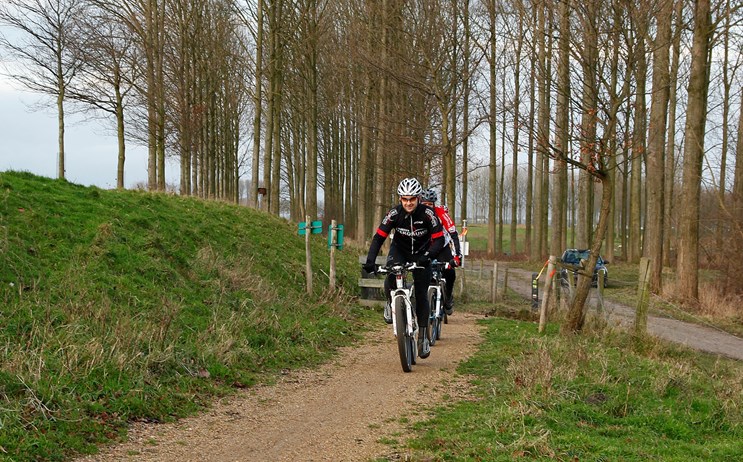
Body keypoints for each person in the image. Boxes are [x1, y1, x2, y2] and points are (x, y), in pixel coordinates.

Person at [362, 178, 444, 359]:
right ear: (400, 199)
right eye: (405, 199)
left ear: (418, 198)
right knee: (390, 277)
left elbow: (439, 239)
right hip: (400, 251)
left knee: (421, 293)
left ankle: (423, 338)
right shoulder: (393, 214)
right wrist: (370, 261)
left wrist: (428, 256)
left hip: (423, 253)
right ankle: (391, 303)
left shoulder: (428, 214)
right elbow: (378, 238)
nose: (408, 203)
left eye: (412, 199)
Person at [420, 187, 462, 315]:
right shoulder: (416, 214)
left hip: (442, 246)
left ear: (434, 205)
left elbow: (453, 234)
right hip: (425, 247)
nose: (427, 207)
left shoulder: (441, 213)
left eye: (430, 205)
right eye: (424, 204)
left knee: (450, 272)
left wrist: (457, 256)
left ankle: (448, 296)